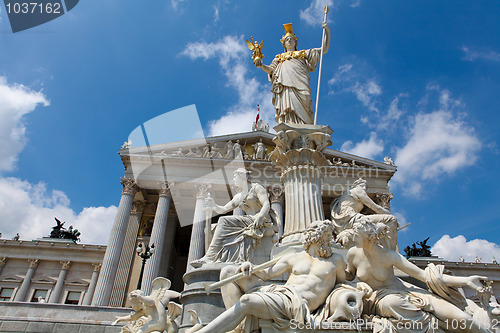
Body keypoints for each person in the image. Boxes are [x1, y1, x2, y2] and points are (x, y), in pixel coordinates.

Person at [187, 220, 347, 333]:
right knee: (229, 271)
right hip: (281, 293)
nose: (328, 239)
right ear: (313, 237)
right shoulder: (295, 257)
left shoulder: (335, 261)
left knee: (246, 301)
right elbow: (267, 274)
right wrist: (251, 267)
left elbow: (341, 284)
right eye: (325, 236)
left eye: (328, 236)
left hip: (296, 303)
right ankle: (239, 326)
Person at [337, 221, 491, 333]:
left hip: (408, 292)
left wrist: (466, 281)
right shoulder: (353, 254)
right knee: (393, 303)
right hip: (381, 299)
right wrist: (335, 268)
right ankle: (433, 326)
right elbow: (349, 276)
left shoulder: (390, 256)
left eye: (355, 234)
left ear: (367, 236)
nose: (352, 237)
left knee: (464, 320)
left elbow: (425, 276)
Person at [190, 168, 278, 268]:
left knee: (223, 220)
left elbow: (266, 203)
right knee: (213, 227)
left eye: (235, 177)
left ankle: (209, 257)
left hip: (260, 219)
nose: (233, 180)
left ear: (242, 177)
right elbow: (223, 209)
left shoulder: (257, 188)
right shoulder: (239, 196)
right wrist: (213, 206)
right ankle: (218, 257)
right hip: (248, 220)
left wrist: (261, 217)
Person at [255, 22, 330, 124]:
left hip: (301, 82)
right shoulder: (279, 58)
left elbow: (324, 50)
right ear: (284, 44)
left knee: (306, 96)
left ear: (296, 43)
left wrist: (327, 31)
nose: (289, 41)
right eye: (287, 40)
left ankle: (305, 125)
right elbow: (271, 70)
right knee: (287, 107)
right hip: (285, 84)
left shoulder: (302, 54)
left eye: (291, 39)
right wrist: (261, 65)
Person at [330, 178, 399, 251]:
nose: (365, 188)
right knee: (391, 219)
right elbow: (373, 206)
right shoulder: (358, 190)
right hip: (351, 219)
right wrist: (388, 213)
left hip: (342, 222)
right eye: (364, 186)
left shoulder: (345, 194)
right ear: (358, 185)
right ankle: (391, 252)